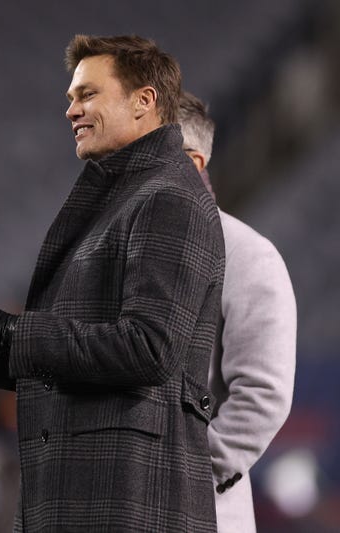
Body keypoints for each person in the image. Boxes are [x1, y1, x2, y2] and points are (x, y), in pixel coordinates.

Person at [0, 35, 224, 532]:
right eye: (72, 97)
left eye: (87, 94)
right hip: (98, 492)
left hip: (128, 498)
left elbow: (149, 349)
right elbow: (96, 351)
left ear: (143, 101)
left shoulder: (167, 197)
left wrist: (12, 332)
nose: (71, 110)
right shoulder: (128, 194)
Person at [179, 91, 297, 532]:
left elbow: (263, 394)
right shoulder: (112, 246)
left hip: (199, 514)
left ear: (191, 163)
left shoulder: (246, 254)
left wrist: (186, 475)